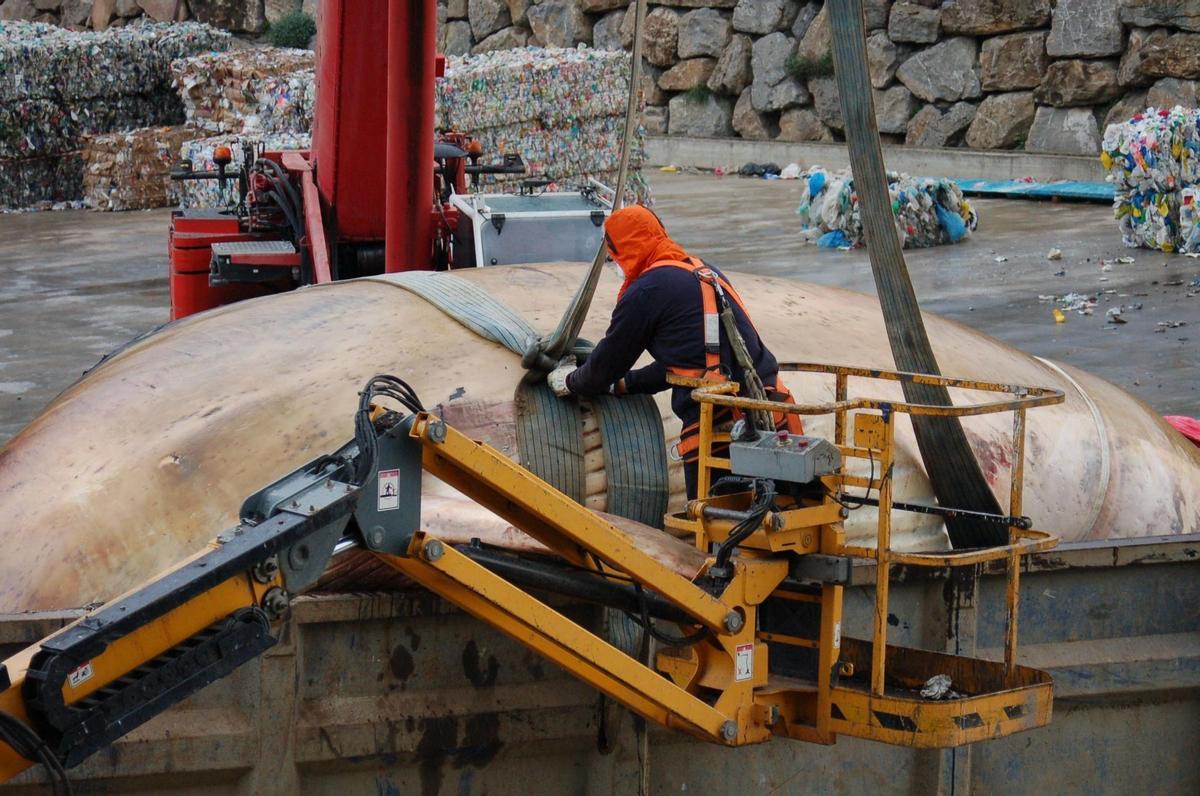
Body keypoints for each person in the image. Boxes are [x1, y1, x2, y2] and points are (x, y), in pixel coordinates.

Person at [547, 205, 802, 499]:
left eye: (613, 256)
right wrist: (626, 384)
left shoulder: (646, 290)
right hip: (776, 417)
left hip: (720, 434)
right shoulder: (704, 272)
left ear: (624, 251)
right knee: (784, 518)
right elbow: (690, 364)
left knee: (718, 535)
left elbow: (604, 366)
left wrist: (569, 381)